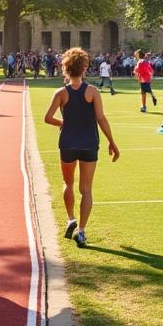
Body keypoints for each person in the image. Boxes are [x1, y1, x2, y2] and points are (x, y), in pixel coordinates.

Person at [44, 48, 119, 249]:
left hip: (67, 143)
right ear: (84, 67)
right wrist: (112, 141)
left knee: (68, 184)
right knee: (86, 189)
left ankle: (70, 218)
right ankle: (82, 231)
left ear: (66, 69)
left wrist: (62, 123)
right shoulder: (92, 91)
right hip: (89, 144)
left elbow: (47, 118)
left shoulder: (61, 93)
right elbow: (101, 118)